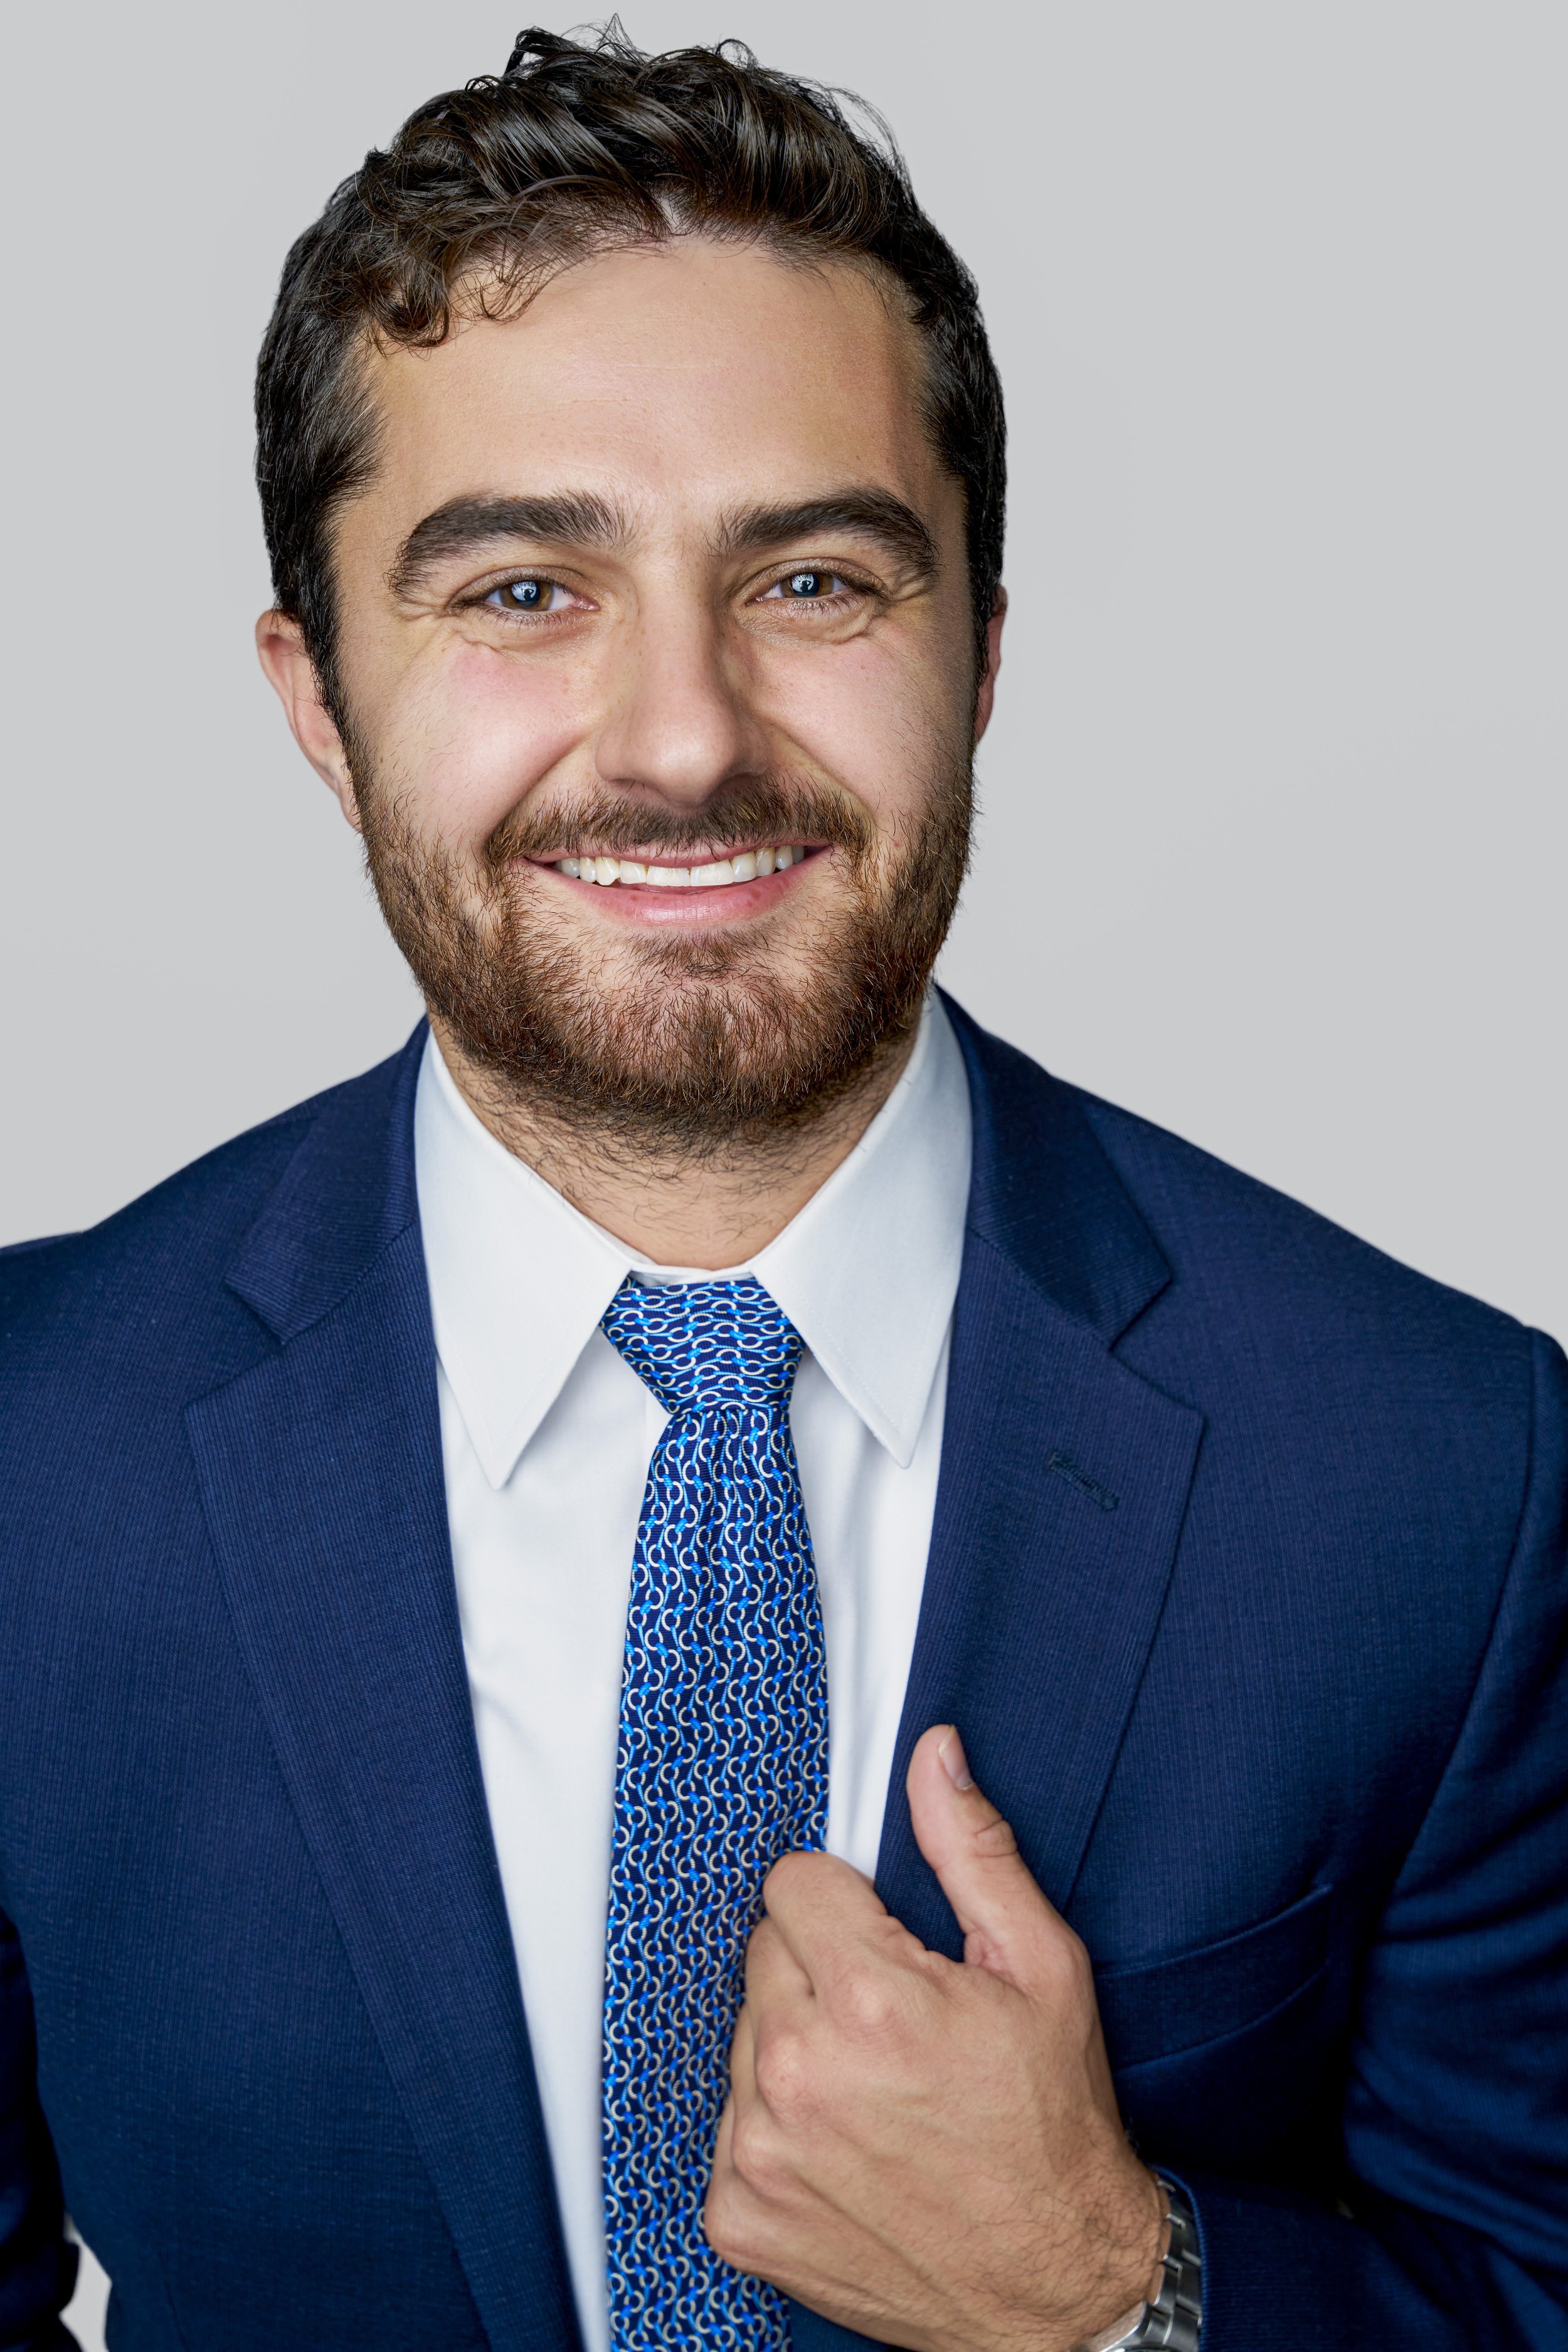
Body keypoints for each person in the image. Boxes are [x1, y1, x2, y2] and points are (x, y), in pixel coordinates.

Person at [1, 22, 1564, 2351]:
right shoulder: (27, 1446)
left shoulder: (1449, 1474)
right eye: (519, 589)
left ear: (981, 653)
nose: (681, 736)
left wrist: (1117, 2293)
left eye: (816, 579)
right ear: (319, 700)